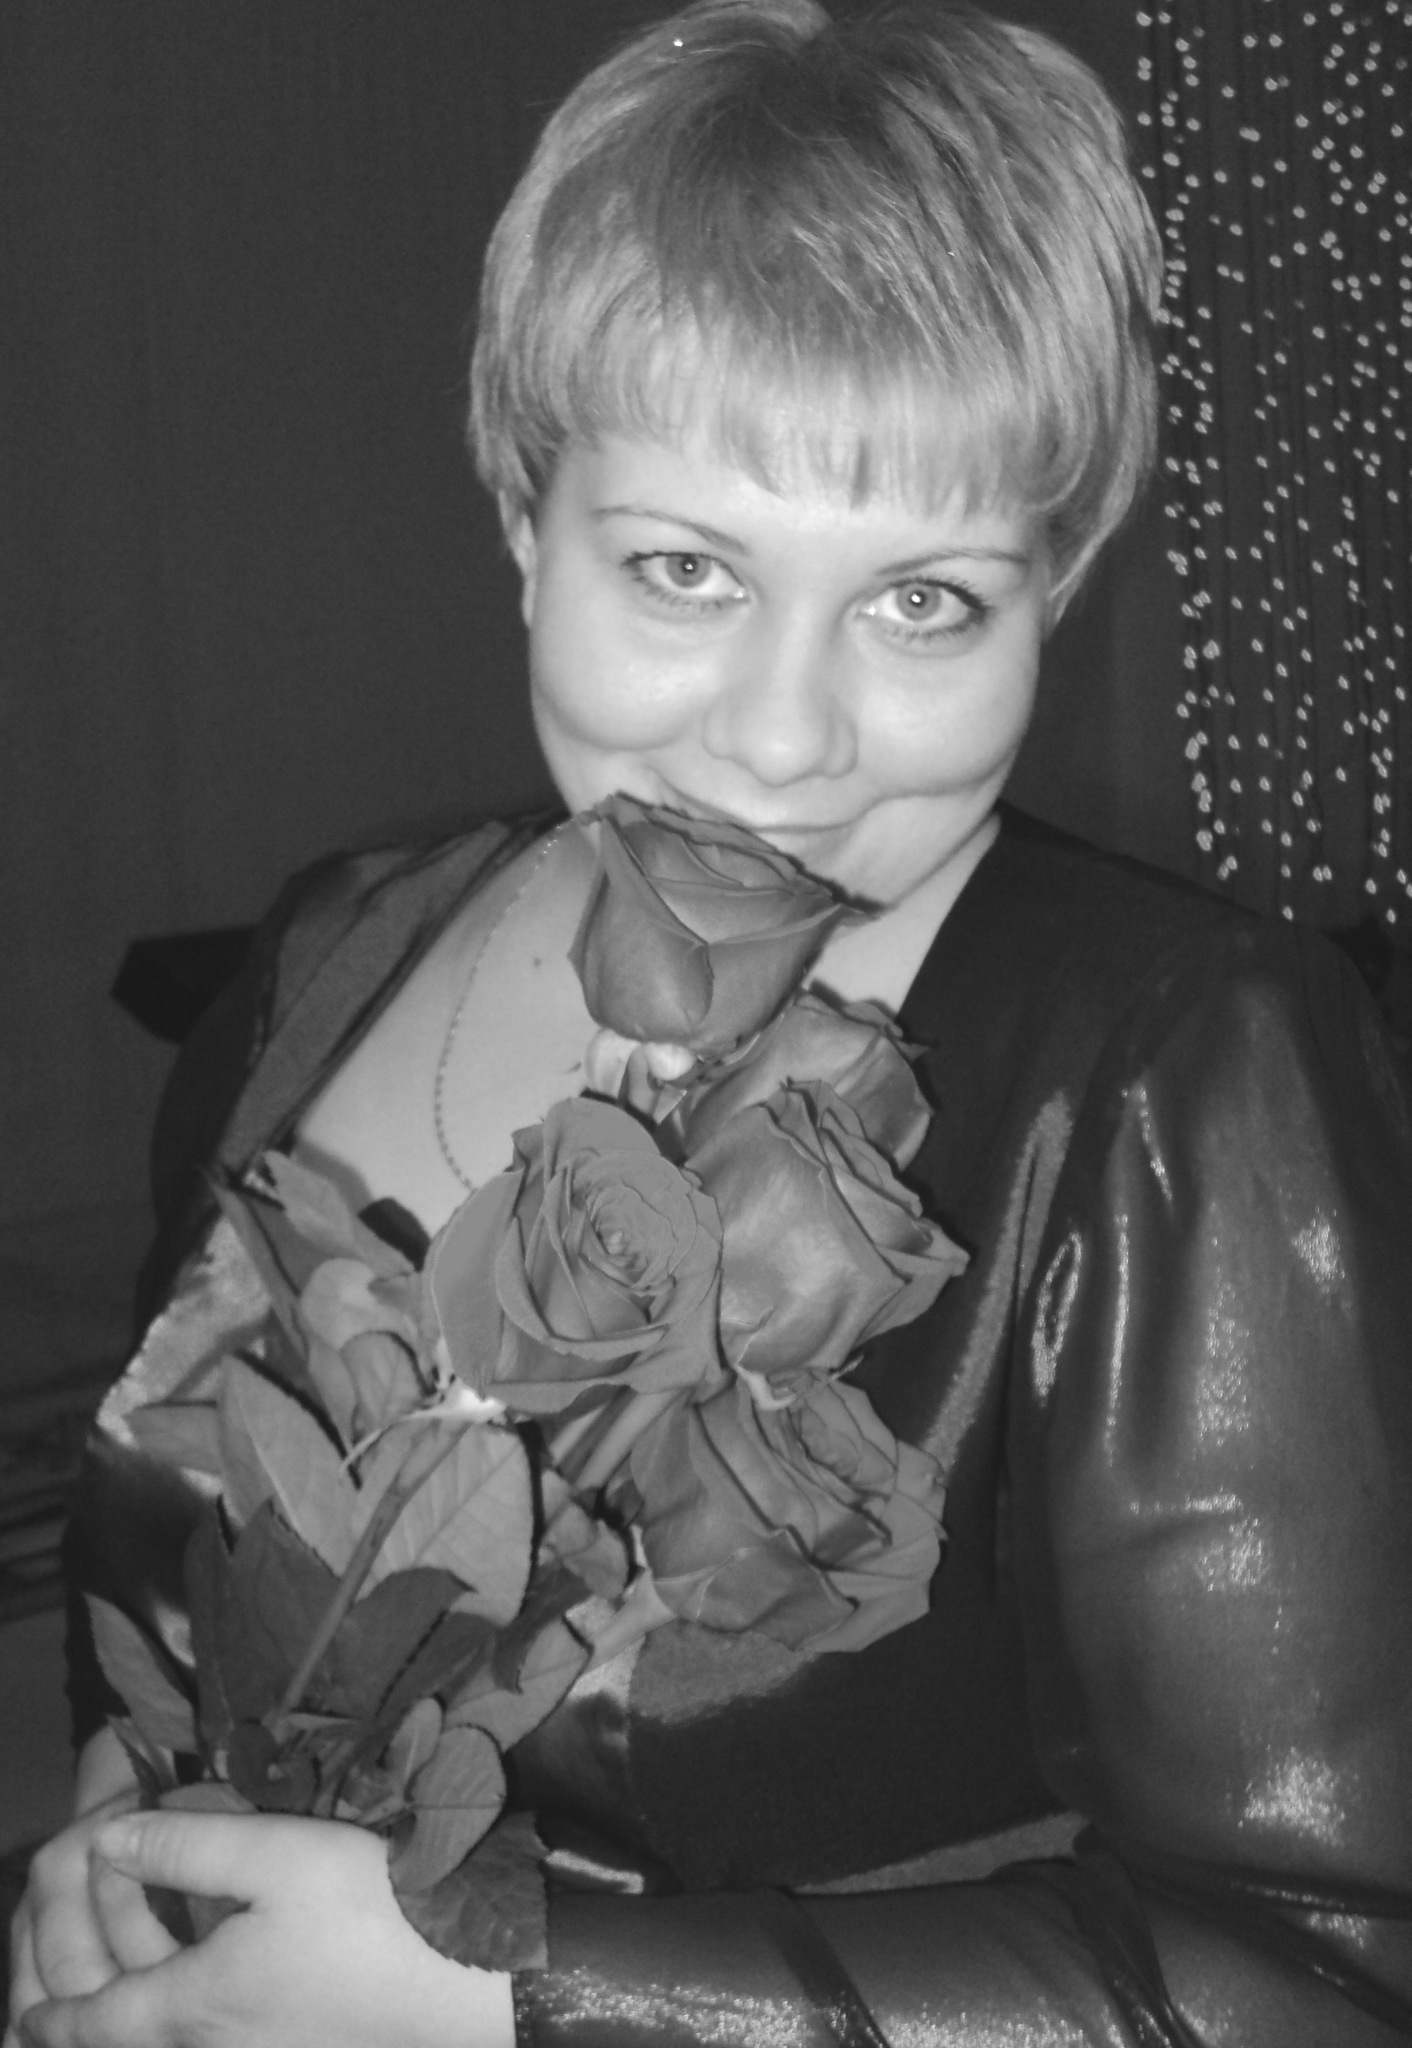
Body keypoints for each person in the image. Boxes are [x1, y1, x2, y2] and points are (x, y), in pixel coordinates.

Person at [11, 0, 1412, 2042]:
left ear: (1055, 582)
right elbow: (155, 1575)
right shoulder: (336, 949)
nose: (781, 737)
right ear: (525, 522)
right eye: (682, 568)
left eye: (923, 599)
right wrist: (122, 1839)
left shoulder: (1179, 1069)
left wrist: (505, 2004)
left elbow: (1318, 1970)